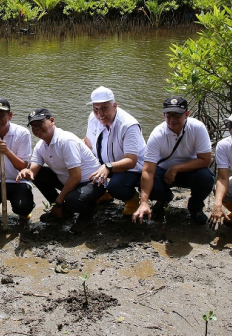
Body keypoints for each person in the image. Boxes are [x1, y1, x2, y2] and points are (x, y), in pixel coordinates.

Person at [16, 108, 105, 234]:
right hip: (70, 180)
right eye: (33, 126)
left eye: (39, 124)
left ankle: (86, 217)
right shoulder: (41, 146)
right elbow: (35, 168)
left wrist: (58, 203)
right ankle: (64, 211)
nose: (36, 129)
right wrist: (28, 172)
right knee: (40, 175)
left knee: (73, 201)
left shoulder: (66, 141)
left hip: (92, 181)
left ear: (52, 121)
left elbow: (76, 177)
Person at [132, 96, 214, 224]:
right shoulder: (157, 134)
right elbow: (148, 170)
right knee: (143, 182)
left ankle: (196, 207)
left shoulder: (198, 128)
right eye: (168, 115)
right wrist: (144, 202)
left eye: (177, 116)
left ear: (187, 114)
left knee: (206, 177)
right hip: (163, 172)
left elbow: (205, 160)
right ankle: (164, 198)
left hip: (190, 171)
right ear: (163, 115)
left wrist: (176, 168)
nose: (172, 120)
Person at [83, 86, 146, 216]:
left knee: (116, 187)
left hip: (129, 168)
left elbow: (131, 161)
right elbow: (88, 142)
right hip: (105, 164)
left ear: (115, 105)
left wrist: (108, 167)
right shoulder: (93, 118)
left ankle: (132, 199)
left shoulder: (128, 125)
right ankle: (105, 194)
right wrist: (72, 146)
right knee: (80, 172)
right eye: (96, 109)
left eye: (105, 108)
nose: (100, 114)